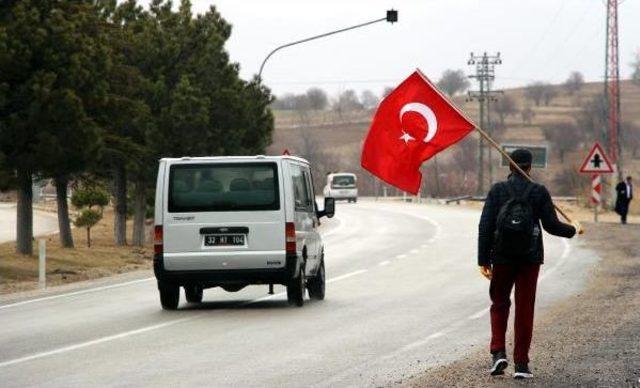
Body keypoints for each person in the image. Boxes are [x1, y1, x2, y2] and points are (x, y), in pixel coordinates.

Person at [477, 149, 583, 379]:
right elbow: (552, 226)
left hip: (502, 257)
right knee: (525, 310)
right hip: (529, 258)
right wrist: (573, 228)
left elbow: (485, 227)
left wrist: (483, 260)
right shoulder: (538, 192)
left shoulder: (497, 191)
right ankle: (522, 365)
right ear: (529, 167)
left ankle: (498, 353)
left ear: (509, 167)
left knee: (499, 303)